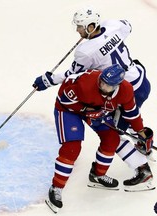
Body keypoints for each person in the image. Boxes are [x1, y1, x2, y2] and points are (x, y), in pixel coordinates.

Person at [33, 6, 154, 191]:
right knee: (129, 121)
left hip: (122, 91)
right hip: (140, 81)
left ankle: (141, 168)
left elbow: (73, 75)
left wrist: (49, 80)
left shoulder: (85, 51)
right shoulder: (112, 25)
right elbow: (127, 25)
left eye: (80, 27)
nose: (77, 31)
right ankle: (144, 142)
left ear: (90, 27)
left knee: (113, 133)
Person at [36, 64, 153, 213]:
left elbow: (132, 113)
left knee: (112, 139)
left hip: (96, 111)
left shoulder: (126, 90)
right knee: (72, 148)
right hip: (69, 110)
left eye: (107, 85)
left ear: (117, 85)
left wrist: (140, 132)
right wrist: (86, 110)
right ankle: (56, 188)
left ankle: (97, 175)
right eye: (101, 81)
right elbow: (64, 99)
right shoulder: (86, 83)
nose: (102, 86)